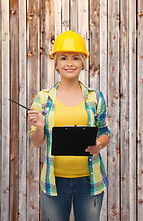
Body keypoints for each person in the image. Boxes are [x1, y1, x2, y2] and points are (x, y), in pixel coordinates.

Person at [28, 30, 112, 220]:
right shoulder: (43, 98)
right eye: (63, 58)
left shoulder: (95, 97)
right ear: (56, 64)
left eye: (75, 58)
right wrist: (39, 126)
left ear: (83, 63)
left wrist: (99, 145)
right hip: (54, 182)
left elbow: (106, 132)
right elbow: (36, 142)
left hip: (89, 182)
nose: (69, 63)